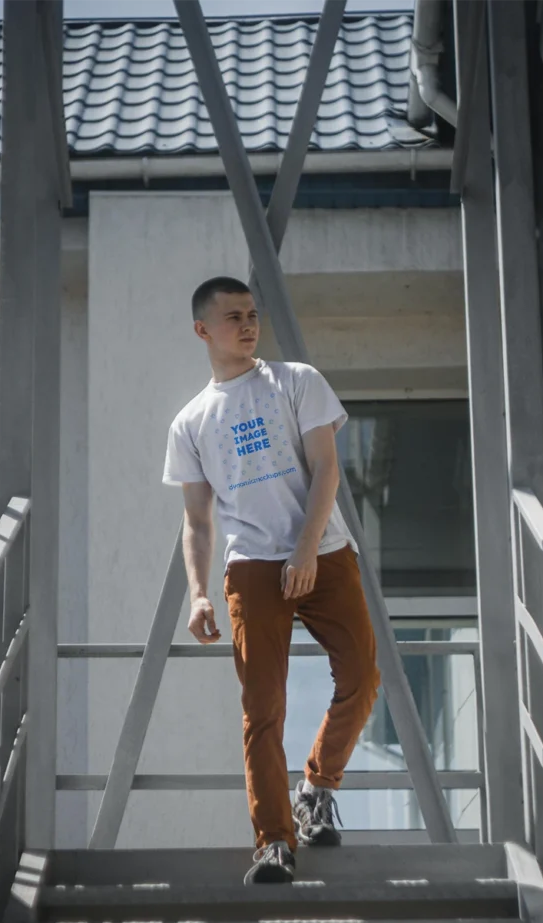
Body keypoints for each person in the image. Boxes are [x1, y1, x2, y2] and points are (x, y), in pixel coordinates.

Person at [163, 275, 380, 885]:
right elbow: (198, 520)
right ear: (203, 330)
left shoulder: (296, 381)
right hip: (251, 567)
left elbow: (327, 469)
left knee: (362, 675)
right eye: (233, 316)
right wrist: (200, 591)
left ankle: (317, 785)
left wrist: (307, 550)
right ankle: (274, 843)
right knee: (262, 708)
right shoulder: (191, 422)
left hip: (325, 551)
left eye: (252, 313)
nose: (248, 323)